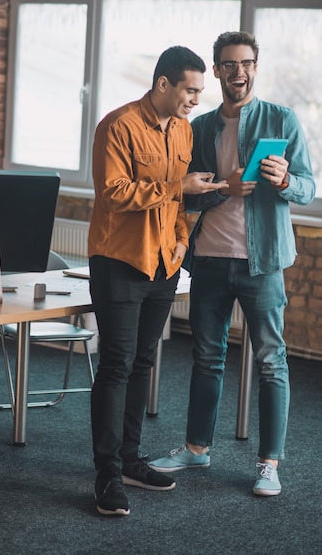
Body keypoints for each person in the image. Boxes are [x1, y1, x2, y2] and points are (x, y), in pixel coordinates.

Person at [149, 31, 315, 496]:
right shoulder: (197, 127)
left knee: (270, 360)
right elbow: (184, 194)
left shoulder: (281, 120)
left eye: (245, 63)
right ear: (217, 70)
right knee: (207, 357)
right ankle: (196, 449)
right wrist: (221, 188)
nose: (237, 71)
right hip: (209, 260)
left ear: (255, 67)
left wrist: (284, 181)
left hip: (262, 262)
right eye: (227, 64)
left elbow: (308, 188)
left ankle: (268, 464)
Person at [88, 45, 229, 516]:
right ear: (164, 84)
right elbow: (113, 194)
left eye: (199, 92)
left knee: (144, 363)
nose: (195, 99)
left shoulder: (184, 131)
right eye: (190, 90)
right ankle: (106, 473)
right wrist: (179, 188)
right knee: (116, 365)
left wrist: (187, 227)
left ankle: (130, 460)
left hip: (165, 264)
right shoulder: (118, 125)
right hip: (121, 260)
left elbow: (176, 203)